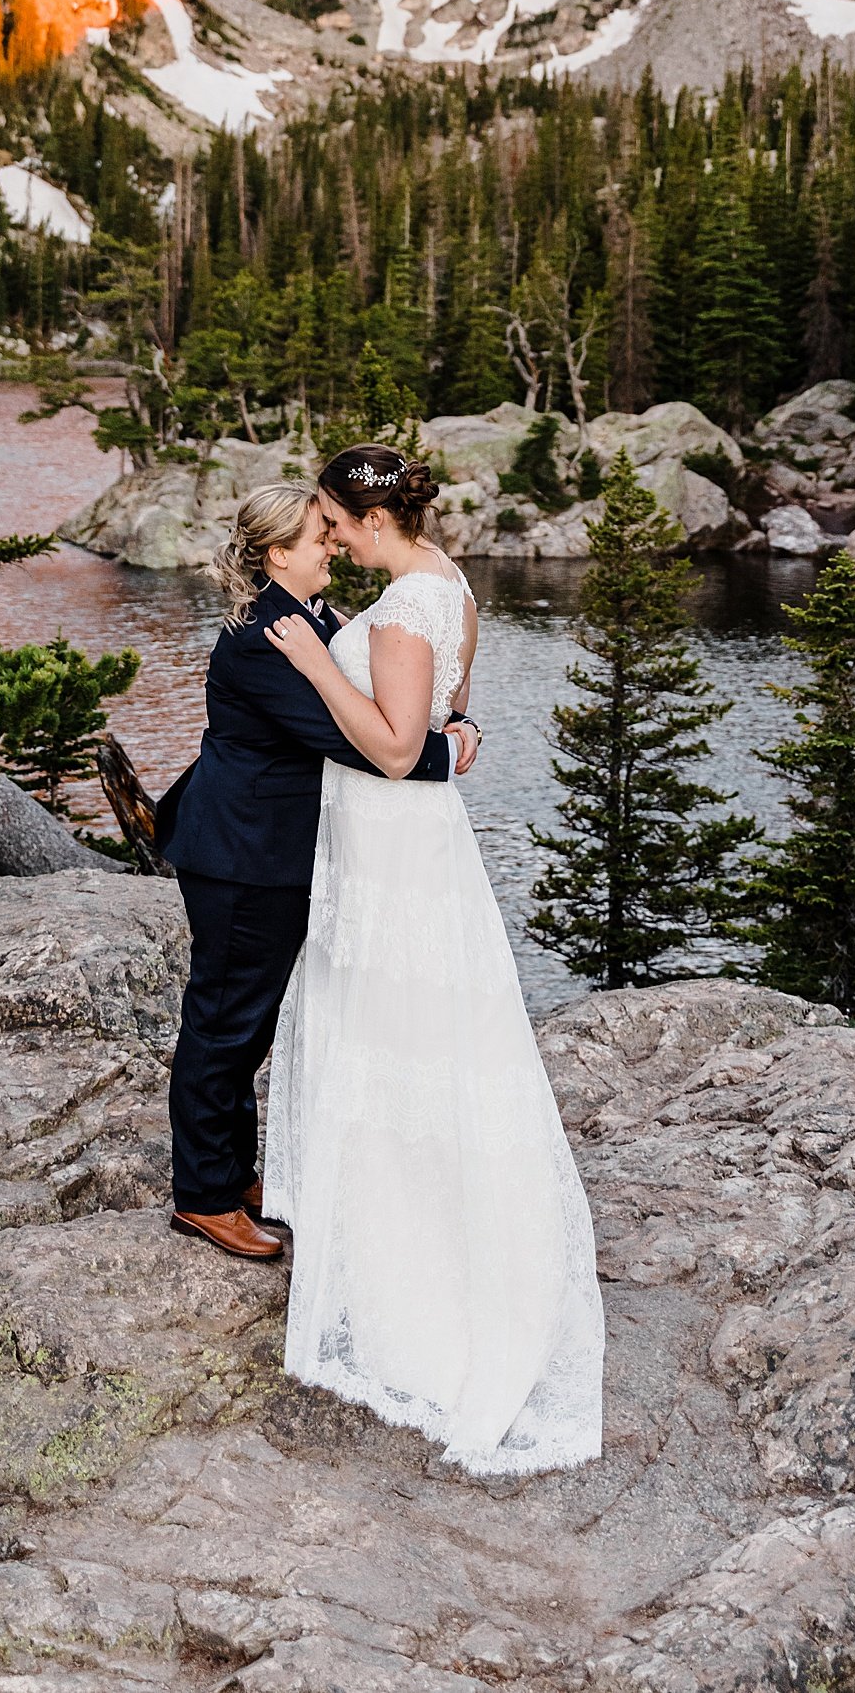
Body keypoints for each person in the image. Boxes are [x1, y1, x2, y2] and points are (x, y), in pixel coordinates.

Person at [263, 444, 604, 1477]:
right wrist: (462, 738)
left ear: (371, 524)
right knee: (402, 1030)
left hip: (392, 839)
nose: (325, 536)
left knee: (395, 1029)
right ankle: (382, 1226)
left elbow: (401, 744)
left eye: (332, 521)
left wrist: (319, 662)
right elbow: (459, 722)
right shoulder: (448, 578)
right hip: (402, 839)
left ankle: (414, 1269)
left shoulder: (408, 605)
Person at [156, 482, 480, 1262]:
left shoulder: (303, 616)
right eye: (316, 537)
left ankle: (231, 1172)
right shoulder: (262, 637)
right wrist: (447, 751)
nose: (332, 544)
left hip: (271, 848)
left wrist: (451, 712)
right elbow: (340, 735)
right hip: (242, 853)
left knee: (250, 1019)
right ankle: (203, 1195)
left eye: (332, 533)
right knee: (224, 1019)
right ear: (277, 554)